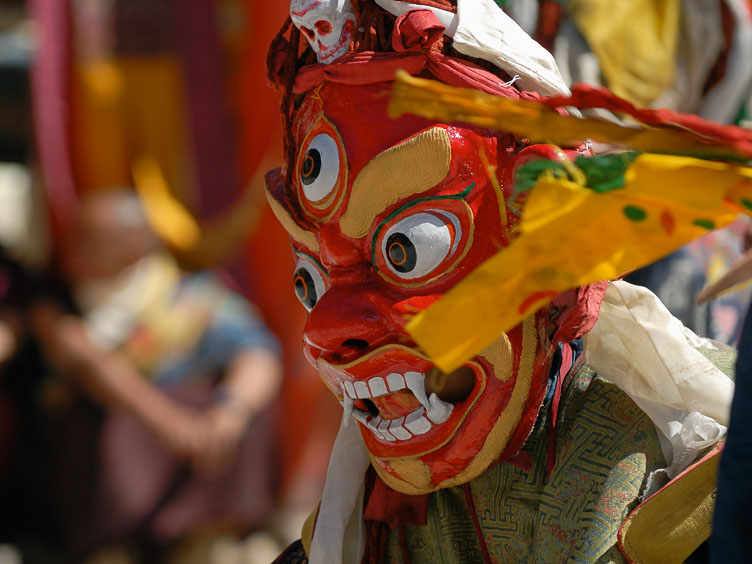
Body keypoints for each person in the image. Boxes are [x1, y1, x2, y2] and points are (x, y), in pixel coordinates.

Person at [264, 1, 736, 562]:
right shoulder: (369, 525)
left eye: (405, 249)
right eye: (310, 279)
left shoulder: (704, 473)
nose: (326, 329)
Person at [30, 189, 283, 559]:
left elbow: (258, 353)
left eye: (90, 242)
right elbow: (91, 365)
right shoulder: (56, 305)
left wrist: (229, 412)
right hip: (111, 476)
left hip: (193, 460)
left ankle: (209, 534)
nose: (73, 250)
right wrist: (172, 425)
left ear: (133, 249)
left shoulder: (189, 296)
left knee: (242, 402)